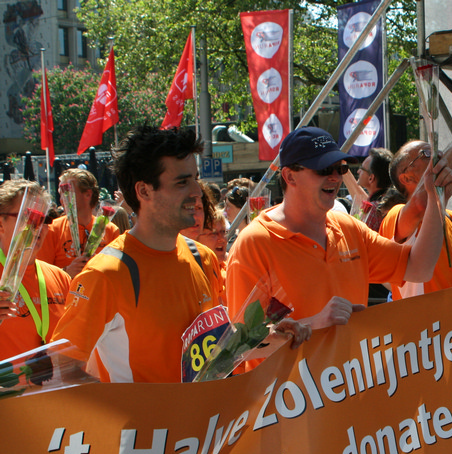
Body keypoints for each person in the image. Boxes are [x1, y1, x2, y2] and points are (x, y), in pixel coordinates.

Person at [52, 126, 310, 383]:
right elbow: (60, 371)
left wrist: (264, 337)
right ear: (144, 191)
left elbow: (213, 352)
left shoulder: (202, 257)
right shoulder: (106, 274)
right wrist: (126, 406)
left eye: (195, 178)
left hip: (206, 410)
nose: (197, 191)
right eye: (182, 182)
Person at [226, 126, 447, 350]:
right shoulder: (254, 243)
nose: (334, 177)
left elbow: (419, 268)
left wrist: (436, 195)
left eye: (340, 168)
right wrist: (315, 324)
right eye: (323, 169)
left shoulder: (349, 229)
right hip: (291, 376)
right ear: (290, 176)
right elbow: (239, 349)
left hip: (349, 372)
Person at [380, 140, 452, 299]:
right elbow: (420, 204)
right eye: (426, 154)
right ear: (407, 178)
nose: (439, 156)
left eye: (438, 151)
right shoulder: (395, 215)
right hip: (422, 316)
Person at [0, 179, 71, 359]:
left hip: (53, 377)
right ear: (1, 224)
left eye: (43, 218)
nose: (37, 226)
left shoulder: (61, 278)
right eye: (29, 216)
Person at [37, 168, 120, 277]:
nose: (62, 199)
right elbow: (41, 274)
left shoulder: (110, 230)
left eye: (67, 192)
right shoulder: (51, 229)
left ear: (88, 194)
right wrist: (66, 272)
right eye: (61, 194)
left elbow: (117, 273)